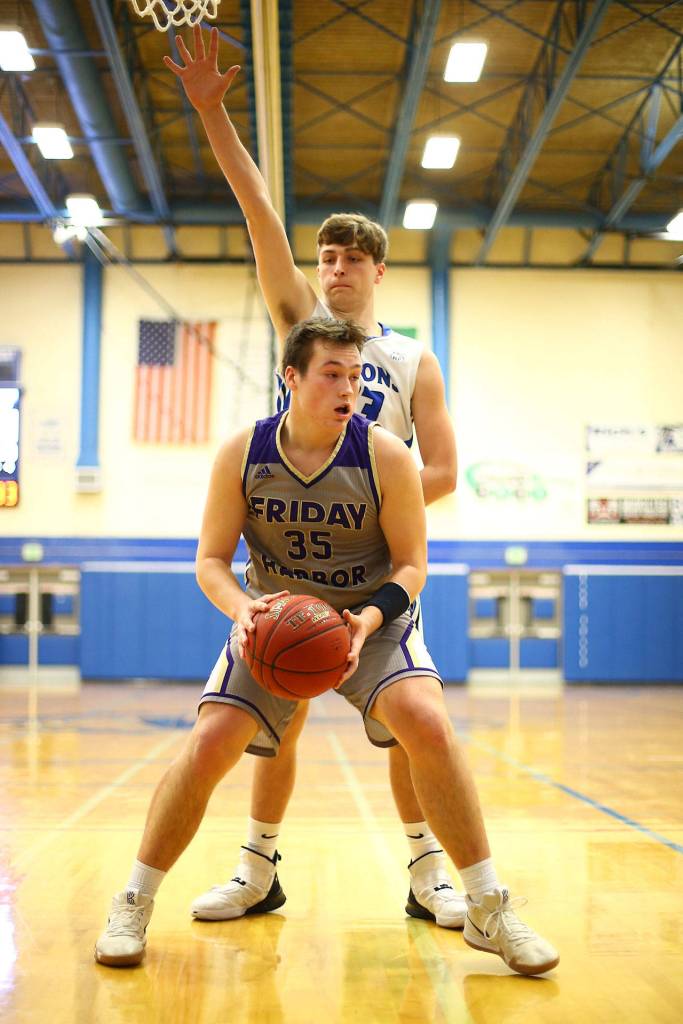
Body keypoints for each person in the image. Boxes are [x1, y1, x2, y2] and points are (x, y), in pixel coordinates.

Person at [95, 318, 559, 976]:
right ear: (291, 377)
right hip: (274, 619)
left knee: (426, 722)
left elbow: (412, 566)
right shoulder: (242, 453)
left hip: (369, 619)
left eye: (356, 376)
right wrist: (244, 611)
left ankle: (487, 905)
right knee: (209, 741)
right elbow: (210, 561)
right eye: (332, 375)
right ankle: (134, 900)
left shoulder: (384, 456)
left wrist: (366, 620)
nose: (349, 389)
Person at [163, 24, 462, 929]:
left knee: (407, 723)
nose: (332, 270)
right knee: (275, 717)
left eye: (348, 260)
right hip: (290, 556)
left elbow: (444, 470)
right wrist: (213, 114)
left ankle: (428, 872)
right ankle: (258, 869)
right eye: (325, 257)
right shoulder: (298, 323)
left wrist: (375, 507)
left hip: (375, 567)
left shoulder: (412, 360)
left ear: (376, 270)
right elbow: (259, 209)